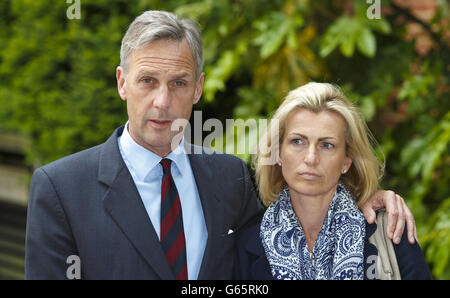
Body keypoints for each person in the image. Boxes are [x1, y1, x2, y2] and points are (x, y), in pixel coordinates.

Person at [25, 11, 416, 280]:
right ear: (122, 82)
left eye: (178, 83)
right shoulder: (61, 188)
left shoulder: (229, 177)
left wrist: (369, 197)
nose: (162, 101)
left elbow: (301, 211)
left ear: (198, 88)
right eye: (147, 81)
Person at [234, 82, 430, 280]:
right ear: (277, 153)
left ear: (346, 160)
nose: (311, 158)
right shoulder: (246, 243)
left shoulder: (389, 230)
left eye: (327, 145)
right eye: (297, 141)